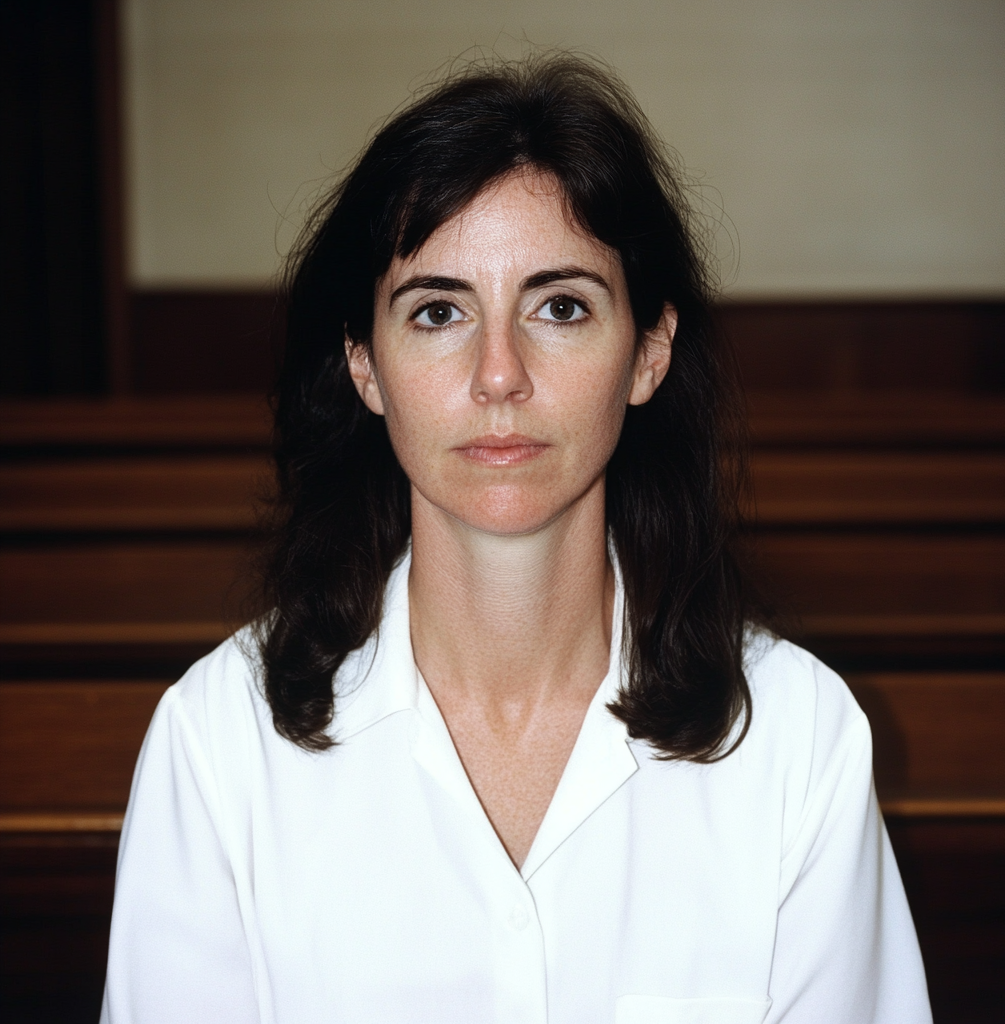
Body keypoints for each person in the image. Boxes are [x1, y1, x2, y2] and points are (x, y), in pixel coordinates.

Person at [101, 54, 931, 1023]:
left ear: (648, 351)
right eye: (440, 311)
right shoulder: (218, 751)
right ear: (364, 365)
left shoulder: (797, 744)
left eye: (560, 306)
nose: (499, 374)